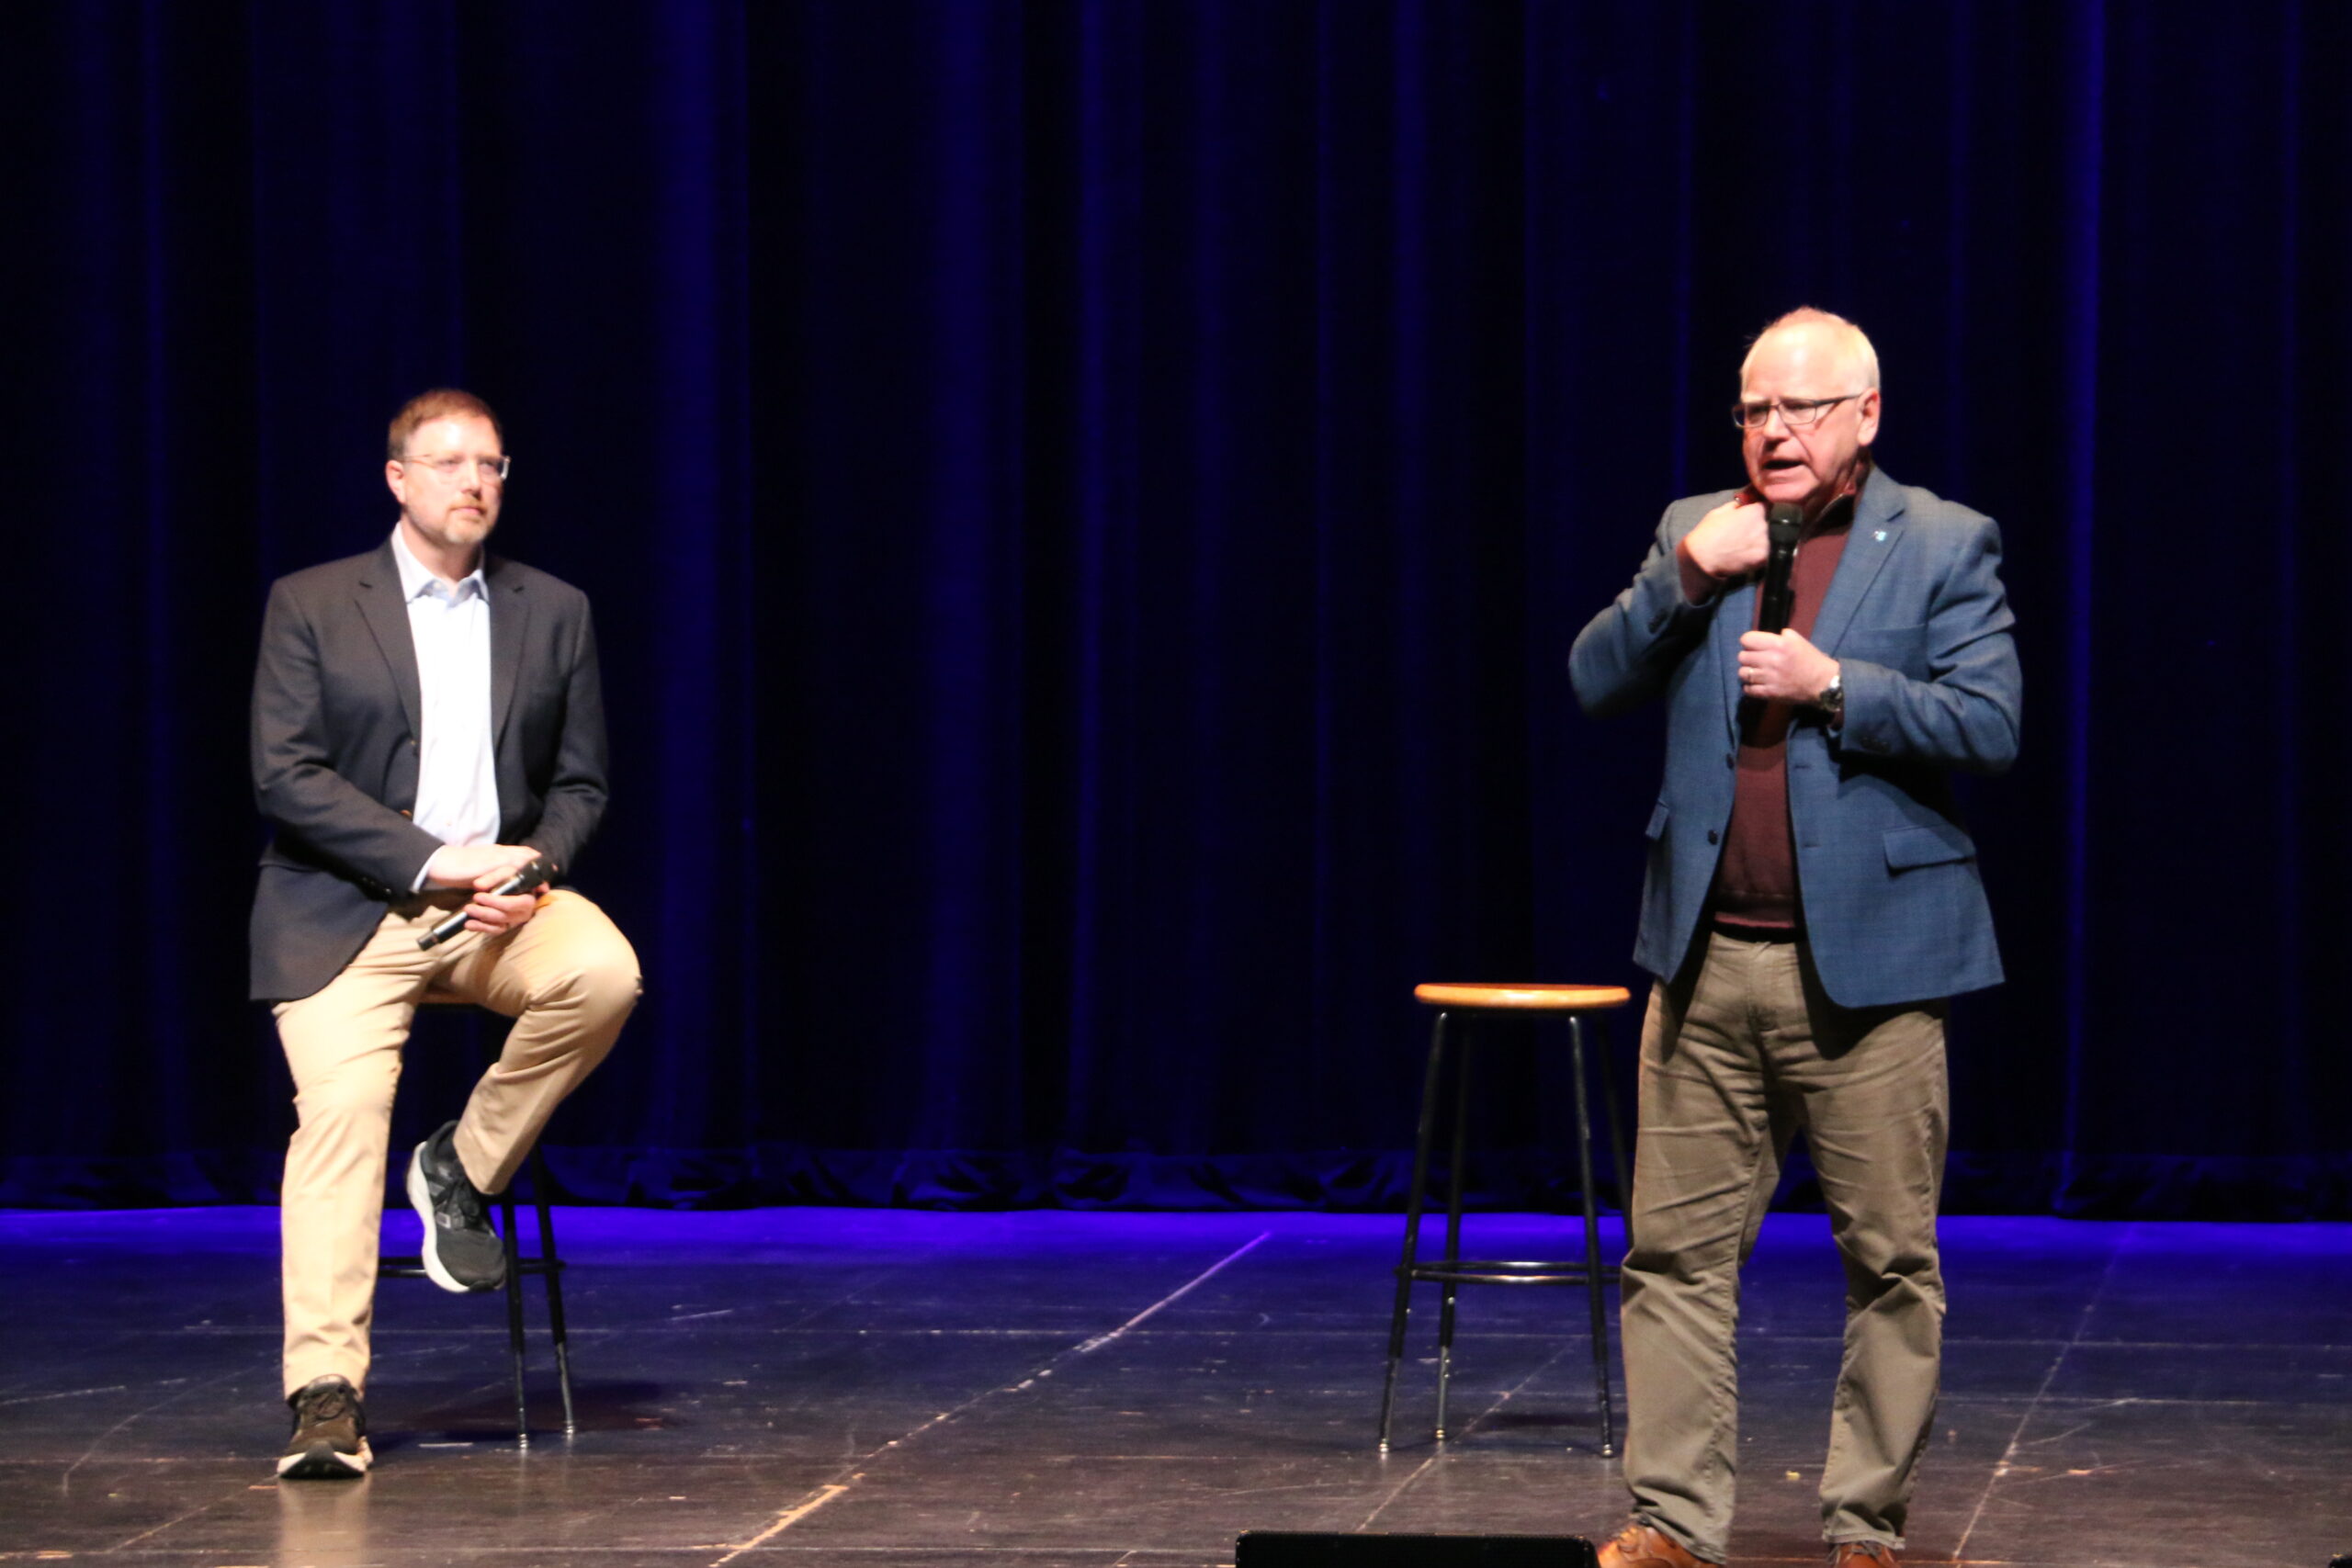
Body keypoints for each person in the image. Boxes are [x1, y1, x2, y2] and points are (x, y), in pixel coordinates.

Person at [1568, 310, 2019, 1568]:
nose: (1772, 431)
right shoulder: (1692, 529)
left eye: (1801, 409)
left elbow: (1991, 721)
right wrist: (1688, 577)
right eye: (1753, 409)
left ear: (1864, 415)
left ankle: (1866, 1523)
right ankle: (1674, 1517)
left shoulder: (1940, 541)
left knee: (1888, 1257)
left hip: (1874, 973)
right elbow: (1593, 677)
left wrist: (1834, 686)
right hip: (1707, 958)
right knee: (1672, 1256)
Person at [250, 389, 641, 1479]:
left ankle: (462, 1168)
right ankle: (324, 1395)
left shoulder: (551, 609)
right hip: (344, 911)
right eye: (451, 462)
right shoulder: (316, 602)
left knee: (603, 972)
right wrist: (430, 862)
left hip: (496, 911)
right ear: (399, 478)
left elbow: (581, 784)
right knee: (341, 1119)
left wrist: (533, 865)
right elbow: (285, 776)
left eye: (493, 466)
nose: (475, 482)